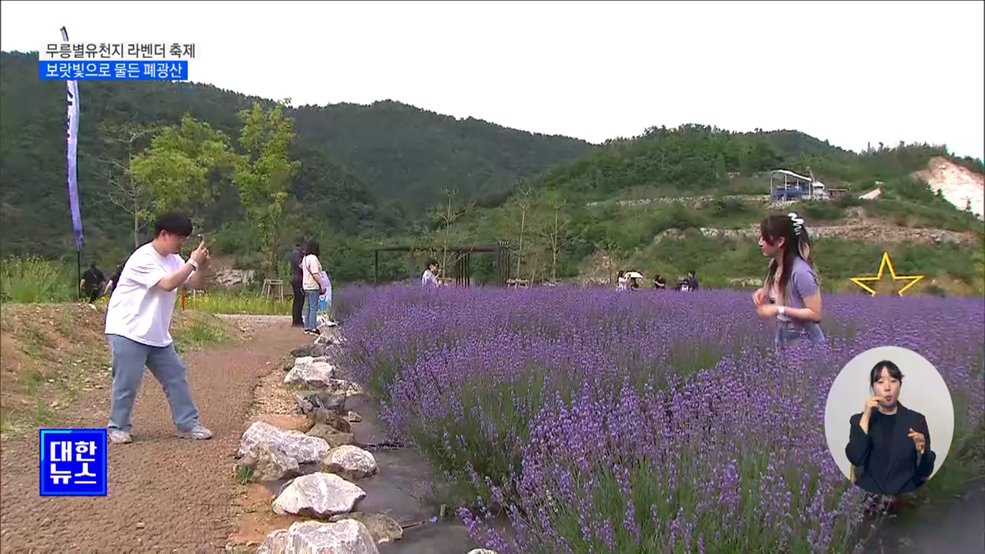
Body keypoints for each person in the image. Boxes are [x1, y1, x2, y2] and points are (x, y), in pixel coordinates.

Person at [103, 212, 213, 444]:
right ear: (164, 234)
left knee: (175, 376)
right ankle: (118, 426)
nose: (182, 243)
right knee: (127, 380)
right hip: (128, 329)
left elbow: (191, 283)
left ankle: (188, 424)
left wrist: (201, 267)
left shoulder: (173, 260)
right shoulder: (143, 258)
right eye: (179, 238)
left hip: (156, 334)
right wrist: (192, 262)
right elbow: (167, 284)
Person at [845, 360, 936, 496]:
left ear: (900, 385)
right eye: (880, 382)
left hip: (906, 496)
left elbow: (925, 472)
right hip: (869, 495)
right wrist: (866, 416)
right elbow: (856, 458)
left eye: (893, 381)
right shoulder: (859, 420)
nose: (887, 388)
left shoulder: (916, 420)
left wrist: (921, 452)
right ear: (873, 387)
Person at [752, 212, 825, 348]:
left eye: (764, 238)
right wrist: (764, 292)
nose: (760, 243)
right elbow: (788, 294)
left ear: (780, 242)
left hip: (804, 341)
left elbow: (815, 314)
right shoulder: (775, 266)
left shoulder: (800, 272)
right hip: (783, 334)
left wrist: (779, 310)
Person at [301, 240, 328, 335]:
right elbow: (315, 273)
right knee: (313, 307)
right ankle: (313, 328)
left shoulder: (305, 258)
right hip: (313, 286)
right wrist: (322, 284)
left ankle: (307, 327)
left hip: (305, 285)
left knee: (308, 307)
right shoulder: (313, 259)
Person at [289, 238, 306, 328]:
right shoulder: (296, 254)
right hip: (297, 279)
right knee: (298, 300)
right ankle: (297, 320)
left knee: (299, 300)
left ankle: (298, 319)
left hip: (298, 278)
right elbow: (301, 266)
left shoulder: (297, 253)